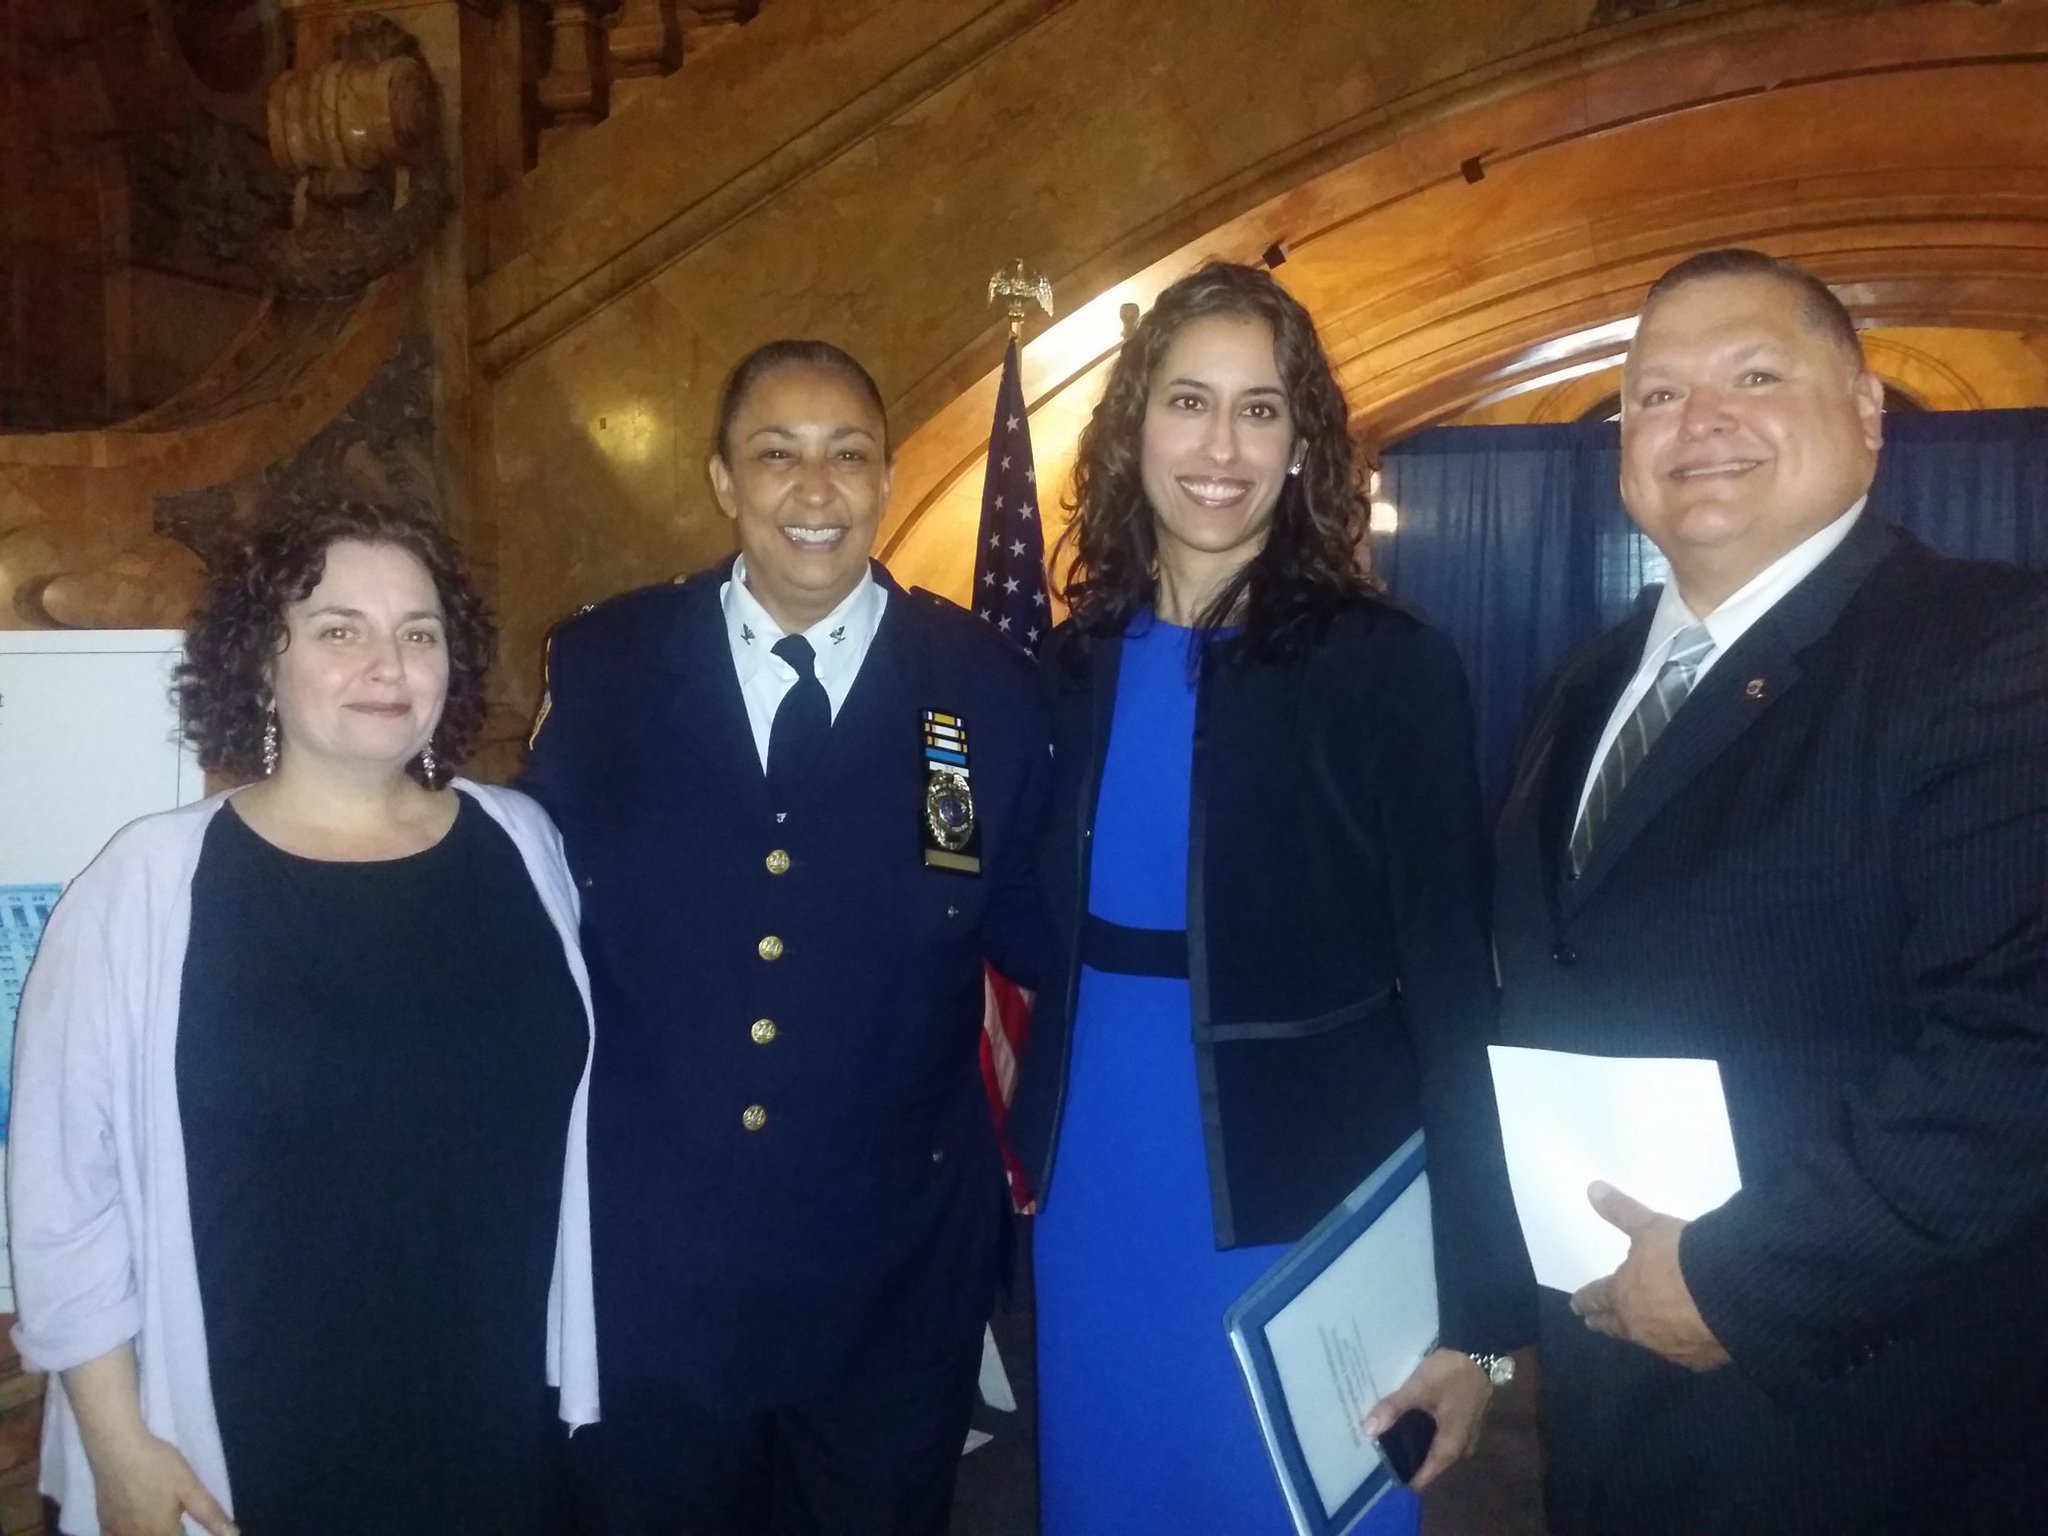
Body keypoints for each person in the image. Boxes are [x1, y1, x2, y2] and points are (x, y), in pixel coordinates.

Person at [1493, 248, 2048, 1534]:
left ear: (1864, 413)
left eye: (1752, 377)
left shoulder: (1991, 648)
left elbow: (2017, 1050)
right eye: (1655, 395)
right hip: (1605, 1392)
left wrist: (1743, 1282)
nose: (1698, 422)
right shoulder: (1582, 685)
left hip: (1852, 1418)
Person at [1005, 261, 1530, 1535]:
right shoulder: (1067, 668)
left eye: (1259, 409)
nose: (1220, 448)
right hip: (1093, 1182)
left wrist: (1481, 1322)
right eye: (1187, 402)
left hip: (1306, 1197)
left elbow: (1456, 998)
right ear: (1133, 429)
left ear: (1302, 445)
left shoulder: (1386, 667)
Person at [522, 339, 1050, 1536]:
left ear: (886, 479)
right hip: (654, 1270)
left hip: (890, 1279)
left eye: (847, 455)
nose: (815, 489)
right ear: (722, 479)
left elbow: (1035, 931)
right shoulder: (608, 664)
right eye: (776, 454)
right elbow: (530, 903)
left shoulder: (986, 688)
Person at [9, 498, 599, 1536]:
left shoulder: (524, 845)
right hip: (251, 1429)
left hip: (494, 1408)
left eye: (420, 633)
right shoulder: (146, 884)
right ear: (260, 662)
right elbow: (63, 1187)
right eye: (338, 630)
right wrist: (117, 1441)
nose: (389, 665)